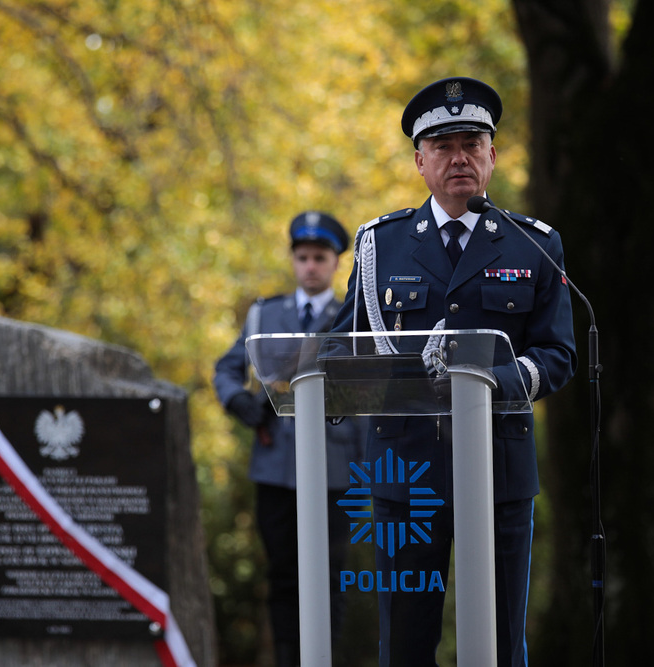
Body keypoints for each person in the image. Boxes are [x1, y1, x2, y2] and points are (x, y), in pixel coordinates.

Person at [329, 77, 577, 665]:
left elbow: (558, 354)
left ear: (493, 155)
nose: (459, 157)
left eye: (472, 143)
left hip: (498, 471)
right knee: (405, 647)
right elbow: (343, 346)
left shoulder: (533, 245)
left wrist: (488, 381)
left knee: (500, 645)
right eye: (443, 146)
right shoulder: (380, 246)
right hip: (405, 476)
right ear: (420, 162)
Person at [213, 212, 365, 667]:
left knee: (330, 575)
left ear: (335, 263)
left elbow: (369, 388)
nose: (310, 266)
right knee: (282, 574)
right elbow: (227, 369)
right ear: (293, 260)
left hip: (335, 469)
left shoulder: (353, 315)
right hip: (276, 465)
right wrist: (237, 400)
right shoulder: (266, 313)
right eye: (303, 257)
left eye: (320, 257)